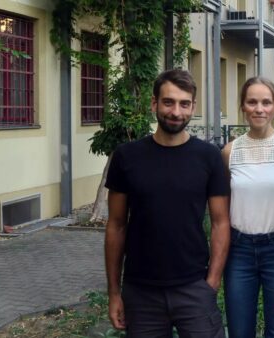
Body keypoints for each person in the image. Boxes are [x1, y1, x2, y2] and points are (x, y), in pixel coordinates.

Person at [104, 69, 230, 338]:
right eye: (168, 102)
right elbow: (115, 226)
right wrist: (114, 293)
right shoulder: (127, 157)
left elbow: (220, 222)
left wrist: (212, 282)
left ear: (193, 106)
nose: (176, 112)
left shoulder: (209, 157)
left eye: (184, 104)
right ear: (154, 104)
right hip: (140, 290)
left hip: (194, 286)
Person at [221, 77, 274, 338]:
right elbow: (223, 208)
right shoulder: (230, 151)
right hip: (240, 250)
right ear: (243, 106)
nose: (259, 109)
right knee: (239, 330)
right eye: (252, 102)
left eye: (266, 102)